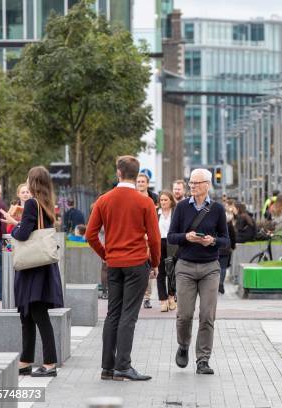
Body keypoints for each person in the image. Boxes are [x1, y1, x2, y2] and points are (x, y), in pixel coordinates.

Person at [86, 155, 160, 382]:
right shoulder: (145, 202)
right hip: (137, 264)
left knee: (112, 314)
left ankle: (107, 367)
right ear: (137, 175)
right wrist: (154, 263)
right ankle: (123, 366)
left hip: (114, 265)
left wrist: (106, 255)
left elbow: (90, 235)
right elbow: (155, 239)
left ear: (118, 172)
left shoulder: (103, 200)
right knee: (129, 315)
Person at [0, 167, 64, 377]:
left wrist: (14, 228)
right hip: (41, 266)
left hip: (32, 269)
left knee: (36, 314)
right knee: (28, 314)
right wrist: (18, 224)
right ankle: (25, 361)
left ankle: (49, 363)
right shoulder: (45, 204)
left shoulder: (31, 204)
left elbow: (24, 233)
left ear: (33, 181)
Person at [168, 168, 229, 375]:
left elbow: (226, 241)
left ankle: (203, 359)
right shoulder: (182, 207)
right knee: (184, 315)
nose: (192, 186)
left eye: (196, 183)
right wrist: (187, 237)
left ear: (207, 185)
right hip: (185, 266)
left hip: (210, 268)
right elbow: (171, 237)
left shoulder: (218, 209)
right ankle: (183, 345)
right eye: (190, 183)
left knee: (206, 315)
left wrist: (212, 241)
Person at [137, 173, 158, 308]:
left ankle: (147, 297)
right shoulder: (131, 197)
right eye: (138, 181)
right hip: (136, 238)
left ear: (147, 183)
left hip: (148, 237)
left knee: (148, 267)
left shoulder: (153, 199)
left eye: (143, 181)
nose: (140, 183)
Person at [156, 191, 177, 312]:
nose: (163, 202)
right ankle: (163, 300)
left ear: (171, 201)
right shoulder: (155, 212)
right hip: (159, 243)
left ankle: (171, 297)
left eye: (165, 200)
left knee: (171, 272)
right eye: (161, 200)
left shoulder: (175, 212)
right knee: (160, 273)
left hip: (172, 243)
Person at [218, 205, 237, 294]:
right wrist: (232, 246)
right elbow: (233, 236)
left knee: (215, 267)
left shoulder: (215, 220)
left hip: (216, 246)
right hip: (226, 246)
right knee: (223, 267)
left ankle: (216, 284)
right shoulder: (229, 223)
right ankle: (221, 284)